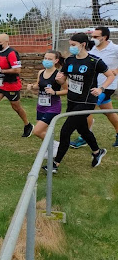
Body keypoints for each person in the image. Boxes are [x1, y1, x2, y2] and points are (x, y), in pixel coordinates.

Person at [45, 33, 115, 173]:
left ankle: (55, 164)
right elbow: (63, 80)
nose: (71, 48)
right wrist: (60, 79)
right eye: (70, 45)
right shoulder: (70, 60)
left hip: (87, 101)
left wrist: (101, 88)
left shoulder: (94, 61)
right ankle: (97, 152)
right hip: (72, 100)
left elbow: (111, 75)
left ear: (82, 45)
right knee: (82, 129)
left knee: (65, 131)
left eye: (73, 45)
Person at [69, 26, 118, 149]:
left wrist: (115, 71)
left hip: (106, 86)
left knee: (86, 109)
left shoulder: (115, 49)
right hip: (91, 86)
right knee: (109, 112)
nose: (93, 39)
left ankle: (84, 137)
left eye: (96, 37)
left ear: (104, 37)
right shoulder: (91, 50)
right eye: (92, 36)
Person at [0, 34, 33, 138]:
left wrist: (0, 71)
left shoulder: (12, 53)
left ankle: (28, 125)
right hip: (0, 83)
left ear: (7, 42)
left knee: (16, 107)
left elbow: (17, 70)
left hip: (12, 84)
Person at [27, 50, 67, 151]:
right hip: (41, 105)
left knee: (37, 131)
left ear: (56, 61)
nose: (46, 61)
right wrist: (32, 86)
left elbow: (67, 90)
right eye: (45, 58)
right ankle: (50, 149)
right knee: (44, 131)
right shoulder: (41, 72)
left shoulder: (58, 75)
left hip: (53, 107)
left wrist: (54, 92)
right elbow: (38, 86)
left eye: (50, 59)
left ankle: (55, 145)